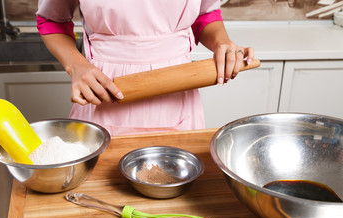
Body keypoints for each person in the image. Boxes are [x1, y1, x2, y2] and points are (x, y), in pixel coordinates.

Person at [36, 0, 254, 136]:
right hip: (105, 86)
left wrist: (221, 42)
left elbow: (204, 14)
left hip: (177, 89)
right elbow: (51, 20)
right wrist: (77, 66)